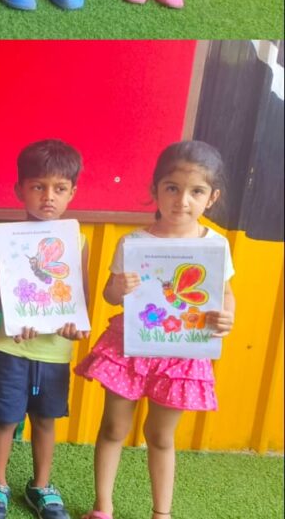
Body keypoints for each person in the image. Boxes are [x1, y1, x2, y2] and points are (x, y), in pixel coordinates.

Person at [77, 141, 235, 519]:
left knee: (161, 436)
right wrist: (121, 288)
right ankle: (103, 507)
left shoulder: (216, 245)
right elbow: (110, 295)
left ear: (212, 197)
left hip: (182, 352)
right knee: (114, 427)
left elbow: (225, 294)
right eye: (172, 188)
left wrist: (227, 318)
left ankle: (161, 513)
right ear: (155, 190)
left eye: (196, 191)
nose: (182, 200)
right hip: (130, 347)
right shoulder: (133, 243)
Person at [0, 140, 90, 519]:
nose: (48, 197)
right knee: (6, 418)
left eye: (59, 188)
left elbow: (79, 297)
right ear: (19, 190)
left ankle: (41, 485)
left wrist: (77, 328)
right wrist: (11, 317)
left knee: (45, 418)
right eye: (38, 186)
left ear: (72, 193)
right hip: (12, 347)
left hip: (54, 352)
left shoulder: (77, 240)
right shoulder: (7, 238)